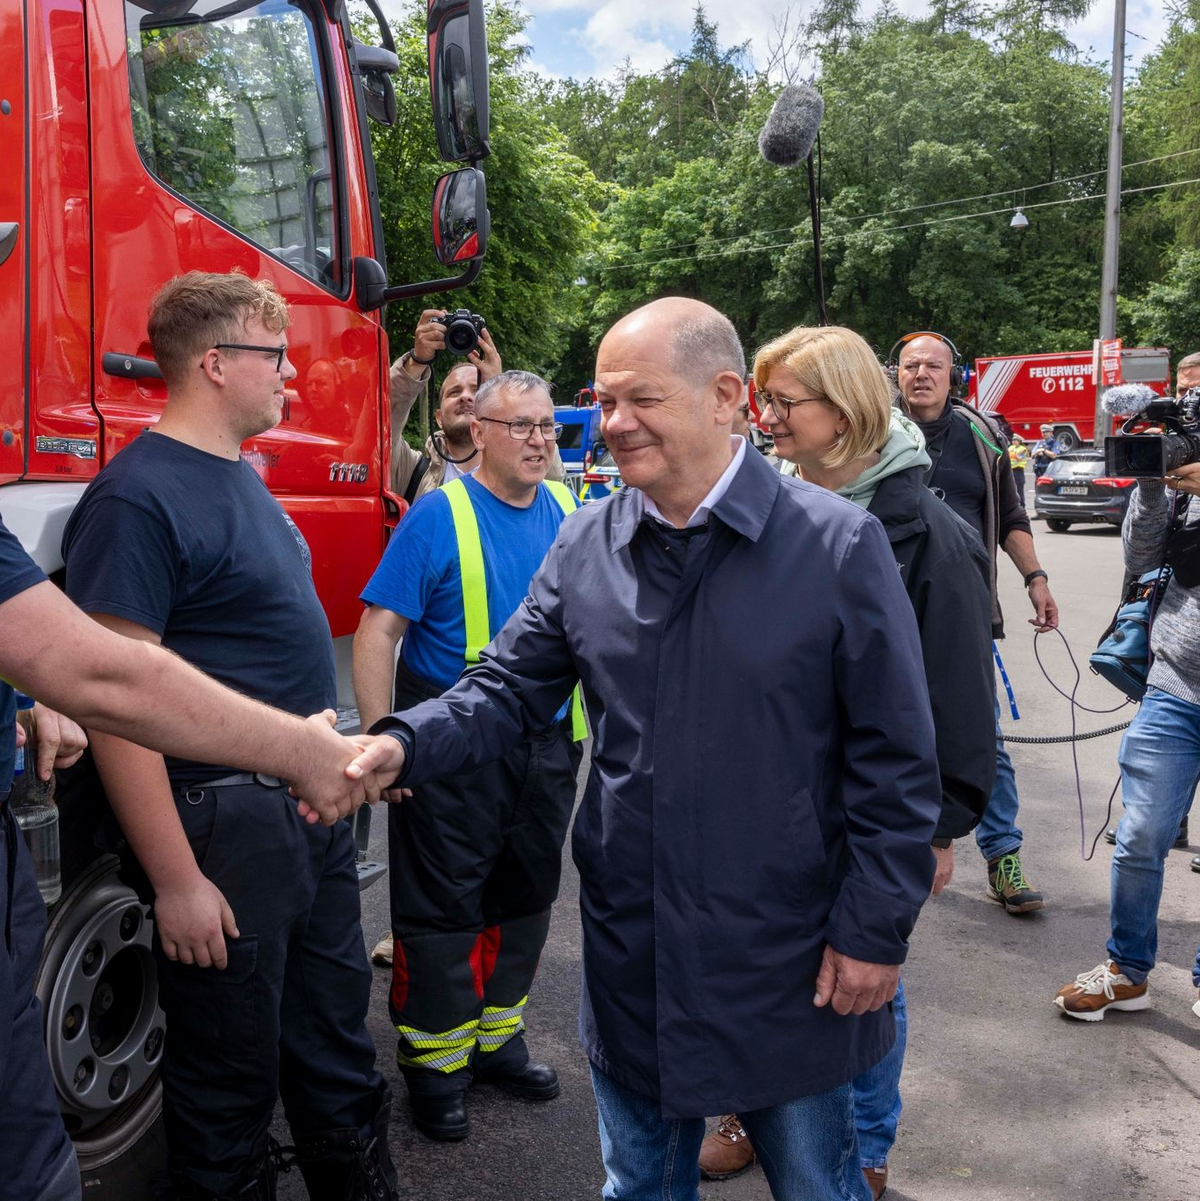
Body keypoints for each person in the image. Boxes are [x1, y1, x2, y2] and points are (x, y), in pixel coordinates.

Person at [348, 297, 943, 1201]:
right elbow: (506, 690)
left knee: (820, 1185)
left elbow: (897, 763)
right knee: (638, 1186)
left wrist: (873, 931)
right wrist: (396, 744)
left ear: (726, 396)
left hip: (787, 962)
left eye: (640, 399)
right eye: (605, 399)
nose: (613, 423)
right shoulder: (588, 540)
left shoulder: (835, 544)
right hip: (636, 955)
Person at [61, 272, 397, 1200]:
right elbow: (115, 701)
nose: (292, 376)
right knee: (227, 1091)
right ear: (215, 363)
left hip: (303, 821)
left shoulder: (240, 480)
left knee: (334, 1049)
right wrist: (176, 880)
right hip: (224, 831)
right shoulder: (136, 499)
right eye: (274, 356)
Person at [0, 520, 391, 1201]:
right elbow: (108, 680)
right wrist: (297, 753)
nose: (289, 403)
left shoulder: (250, 498)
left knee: (324, 1036)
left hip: (295, 828)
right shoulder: (138, 502)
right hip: (244, 815)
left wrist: (20, 701)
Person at [699, 325, 996, 1198]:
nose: (766, 419)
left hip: (869, 814)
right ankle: (744, 1111)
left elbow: (957, 702)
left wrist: (936, 829)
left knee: (865, 978)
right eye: (763, 400)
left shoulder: (928, 536)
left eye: (785, 403)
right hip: (768, 804)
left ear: (847, 410)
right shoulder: (765, 503)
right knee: (763, 963)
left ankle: (865, 1144)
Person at [352, 370, 584, 1141]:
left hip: (547, 749)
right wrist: (386, 736)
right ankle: (435, 1065)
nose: (539, 440)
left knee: (523, 901)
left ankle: (495, 1043)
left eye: (548, 426)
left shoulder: (568, 507)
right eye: (521, 426)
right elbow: (377, 632)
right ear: (477, 431)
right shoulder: (438, 514)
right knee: (444, 912)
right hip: (453, 752)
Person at [896, 332, 1058, 915]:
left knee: (979, 736)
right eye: (910, 365)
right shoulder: (872, 432)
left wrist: (1034, 577)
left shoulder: (981, 435)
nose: (921, 375)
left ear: (952, 375)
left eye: (932, 366)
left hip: (964, 614)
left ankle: (1003, 855)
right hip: (886, 611)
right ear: (896, 373)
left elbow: (1011, 515)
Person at [1055, 451, 1200, 1021]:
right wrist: (1153, 487)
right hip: (1174, 687)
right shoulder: (1184, 484)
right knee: (1140, 836)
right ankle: (1127, 970)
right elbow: (1142, 558)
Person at [388, 309, 567, 504]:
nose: (466, 397)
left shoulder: (520, 471)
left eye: (476, 390)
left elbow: (551, 472)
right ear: (438, 418)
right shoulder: (412, 471)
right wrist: (416, 361)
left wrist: (499, 389)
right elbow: (381, 422)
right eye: (454, 392)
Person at [1008, 435, 1030, 510]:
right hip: (1011, 471)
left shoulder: (1023, 449)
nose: (1013, 442)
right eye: (1012, 440)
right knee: (1011, 490)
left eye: (1015, 440)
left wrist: (1013, 454)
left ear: (1019, 441)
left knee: (1019, 490)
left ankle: (1022, 506)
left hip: (1018, 471)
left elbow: (1020, 459)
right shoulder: (1010, 448)